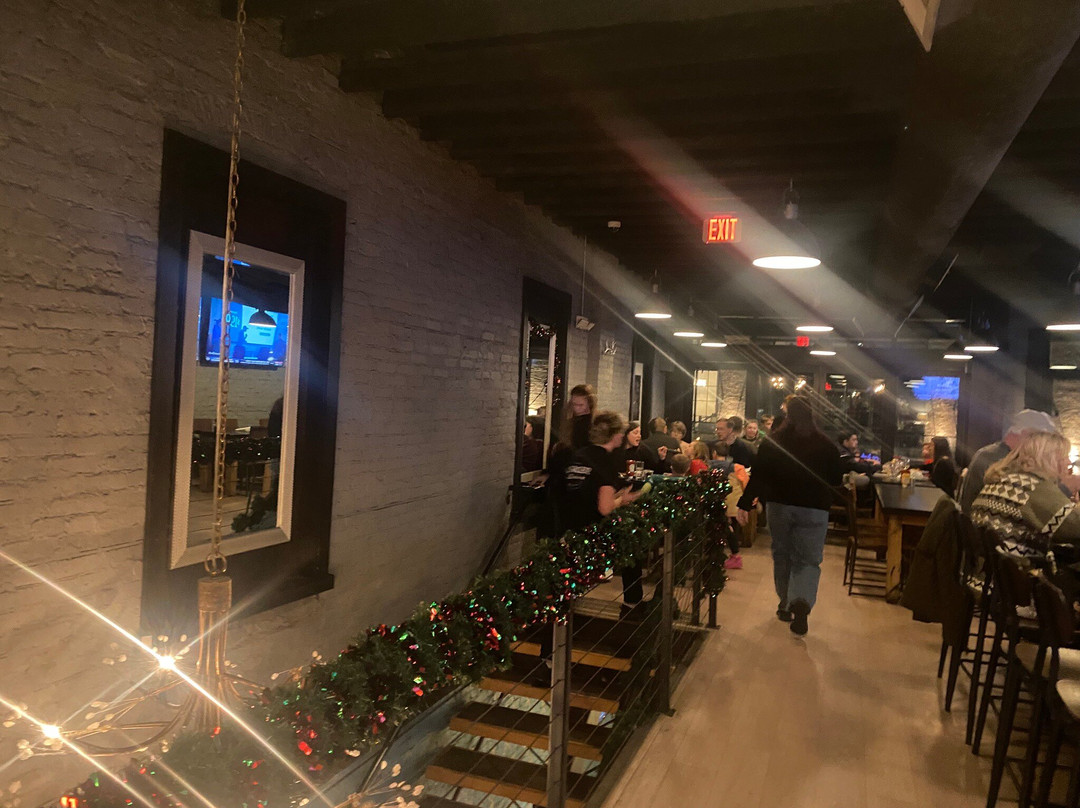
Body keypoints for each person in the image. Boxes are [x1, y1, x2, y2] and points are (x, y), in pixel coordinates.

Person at [736, 395, 842, 636]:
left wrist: (745, 502)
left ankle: (785, 604)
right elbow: (835, 479)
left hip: (780, 506)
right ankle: (801, 601)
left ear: (787, 414)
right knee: (808, 560)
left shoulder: (774, 442)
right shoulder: (826, 445)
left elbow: (759, 475)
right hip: (815, 508)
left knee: (782, 554)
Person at [561, 412, 645, 609]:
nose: (622, 436)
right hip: (591, 529)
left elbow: (584, 492)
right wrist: (623, 499)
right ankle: (632, 603)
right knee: (632, 546)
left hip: (568, 526)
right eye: (621, 432)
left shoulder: (579, 455)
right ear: (615, 435)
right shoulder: (607, 462)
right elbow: (604, 508)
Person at [970, 430, 1080, 562]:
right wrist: (1069, 490)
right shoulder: (1035, 487)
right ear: (1050, 459)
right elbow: (1075, 527)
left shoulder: (1003, 481)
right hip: (1020, 572)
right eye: (1065, 457)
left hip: (986, 569)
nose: (1069, 462)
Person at [959, 409, 1062, 513]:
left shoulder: (1000, 455)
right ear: (1026, 434)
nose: (1043, 447)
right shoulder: (991, 457)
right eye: (1042, 440)